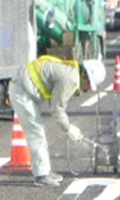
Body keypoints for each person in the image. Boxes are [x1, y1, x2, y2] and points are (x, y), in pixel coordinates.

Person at [8, 54, 106, 187]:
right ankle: (41, 175)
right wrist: (68, 128)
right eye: (89, 85)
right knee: (36, 131)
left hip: (22, 86)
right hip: (21, 90)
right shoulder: (71, 79)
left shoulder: (71, 70)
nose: (86, 89)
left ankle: (44, 170)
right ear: (86, 77)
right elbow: (57, 109)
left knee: (38, 129)